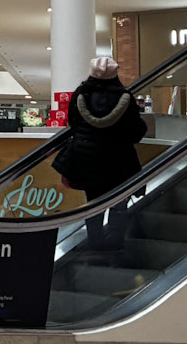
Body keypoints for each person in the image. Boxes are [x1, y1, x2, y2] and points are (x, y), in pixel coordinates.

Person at [51, 57, 149, 256]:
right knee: (119, 202)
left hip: (87, 159)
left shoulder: (81, 95)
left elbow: (74, 124)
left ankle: (95, 243)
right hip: (120, 161)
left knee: (93, 202)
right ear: (115, 74)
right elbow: (136, 131)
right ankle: (116, 244)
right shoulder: (125, 98)